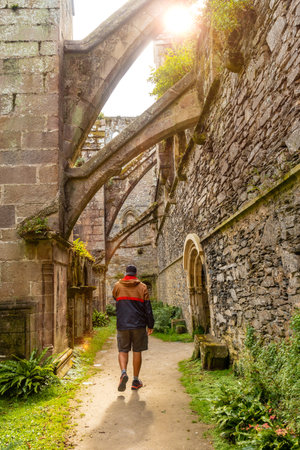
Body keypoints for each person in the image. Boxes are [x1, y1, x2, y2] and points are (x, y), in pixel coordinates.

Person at [112, 264, 154, 391]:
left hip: (122, 324)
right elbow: (148, 309)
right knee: (137, 351)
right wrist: (150, 325)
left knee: (123, 350)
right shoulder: (142, 287)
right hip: (139, 325)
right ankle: (135, 380)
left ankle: (123, 372)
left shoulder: (117, 286)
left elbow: (115, 297)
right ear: (135, 274)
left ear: (126, 273)